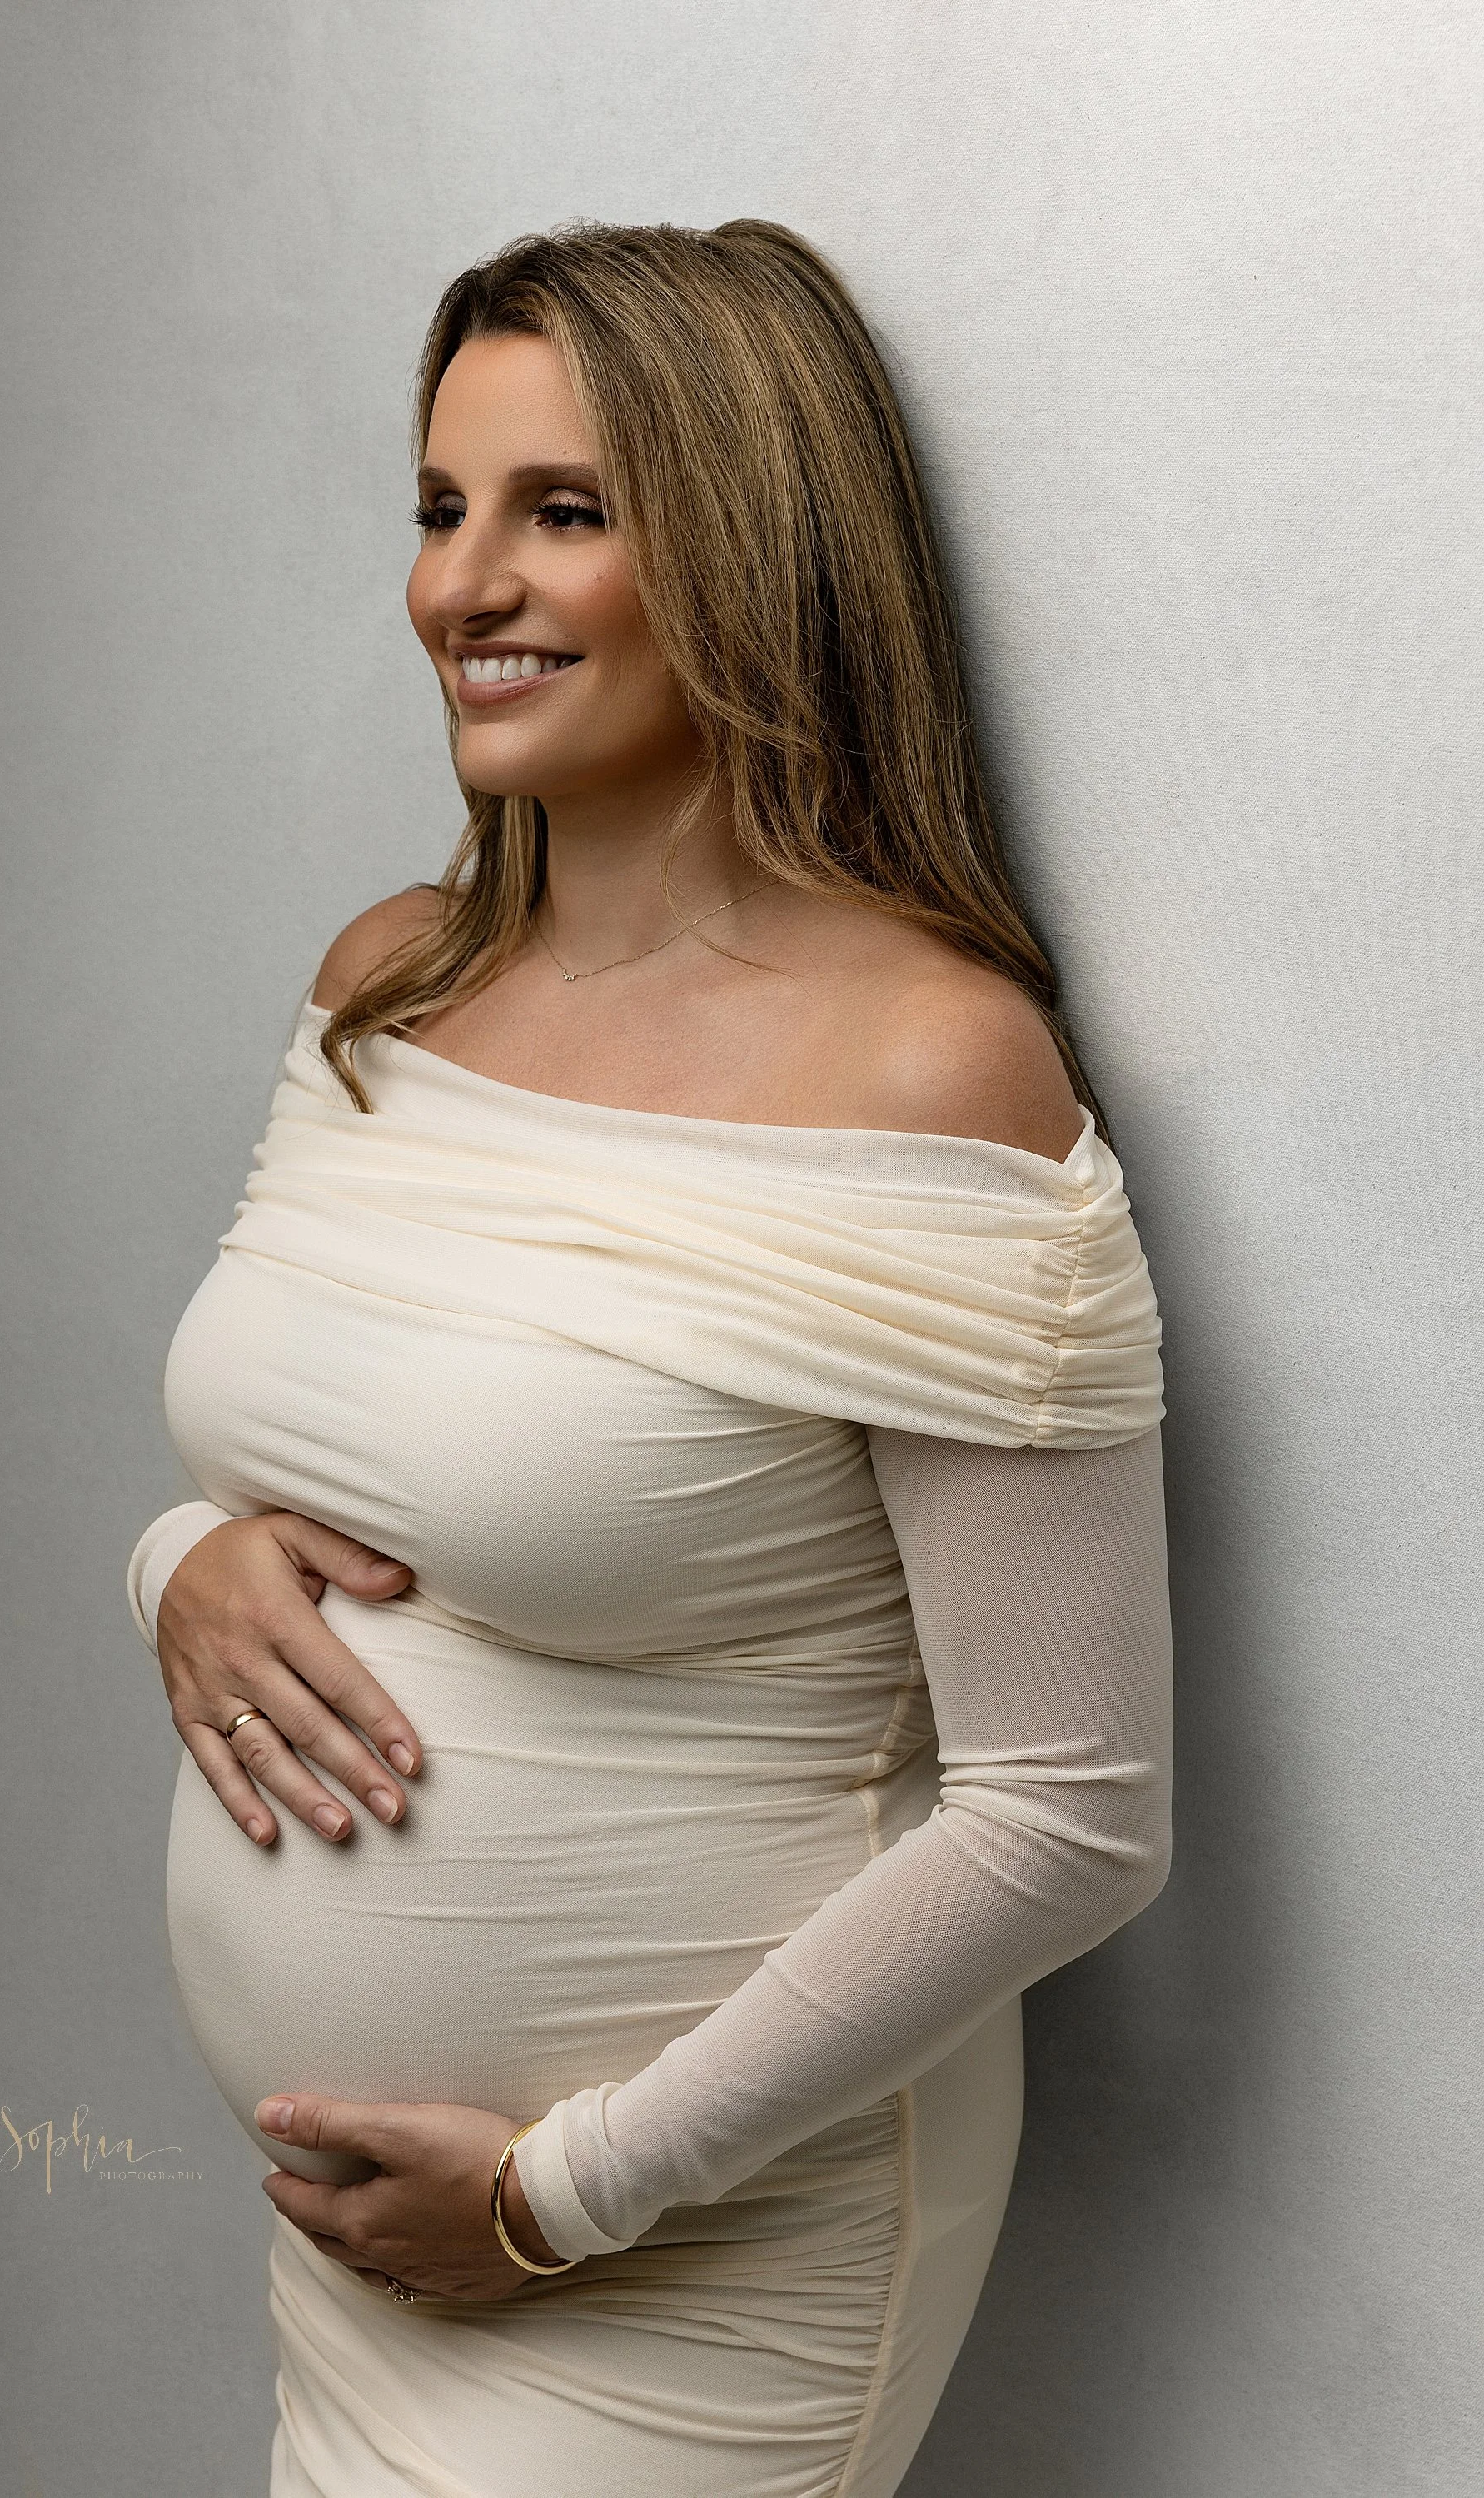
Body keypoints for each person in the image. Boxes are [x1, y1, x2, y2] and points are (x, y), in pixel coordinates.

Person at [126, 218, 1172, 2498]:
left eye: (563, 511)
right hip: (369, 2247)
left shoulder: (931, 1075)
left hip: (684, 2250)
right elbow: (346, 1444)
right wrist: (180, 1563)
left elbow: (1069, 1820)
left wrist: (561, 2187)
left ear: (760, 545)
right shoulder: (386, 987)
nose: (459, 587)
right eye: (439, 508)